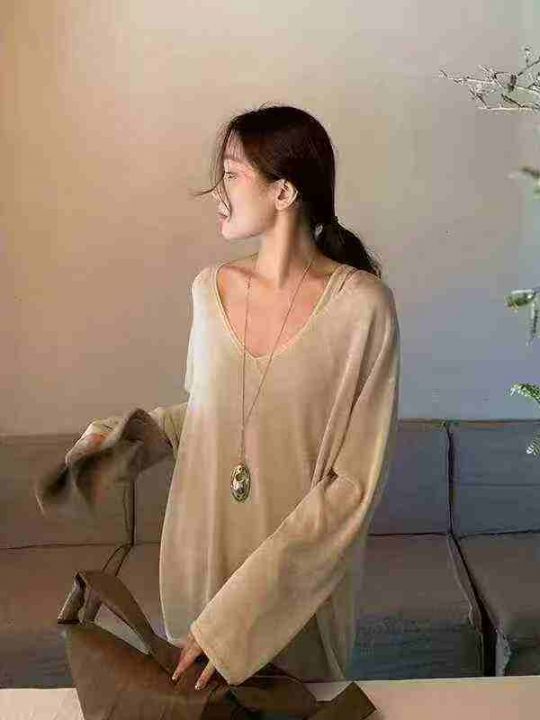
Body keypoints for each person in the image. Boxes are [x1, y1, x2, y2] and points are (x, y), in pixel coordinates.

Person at [65, 103, 400, 692]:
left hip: (291, 599)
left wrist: (235, 624)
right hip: (197, 574)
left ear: (284, 192)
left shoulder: (363, 308)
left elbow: (352, 486)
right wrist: (124, 443)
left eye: (231, 174)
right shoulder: (209, 289)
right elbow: (210, 417)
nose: (217, 192)